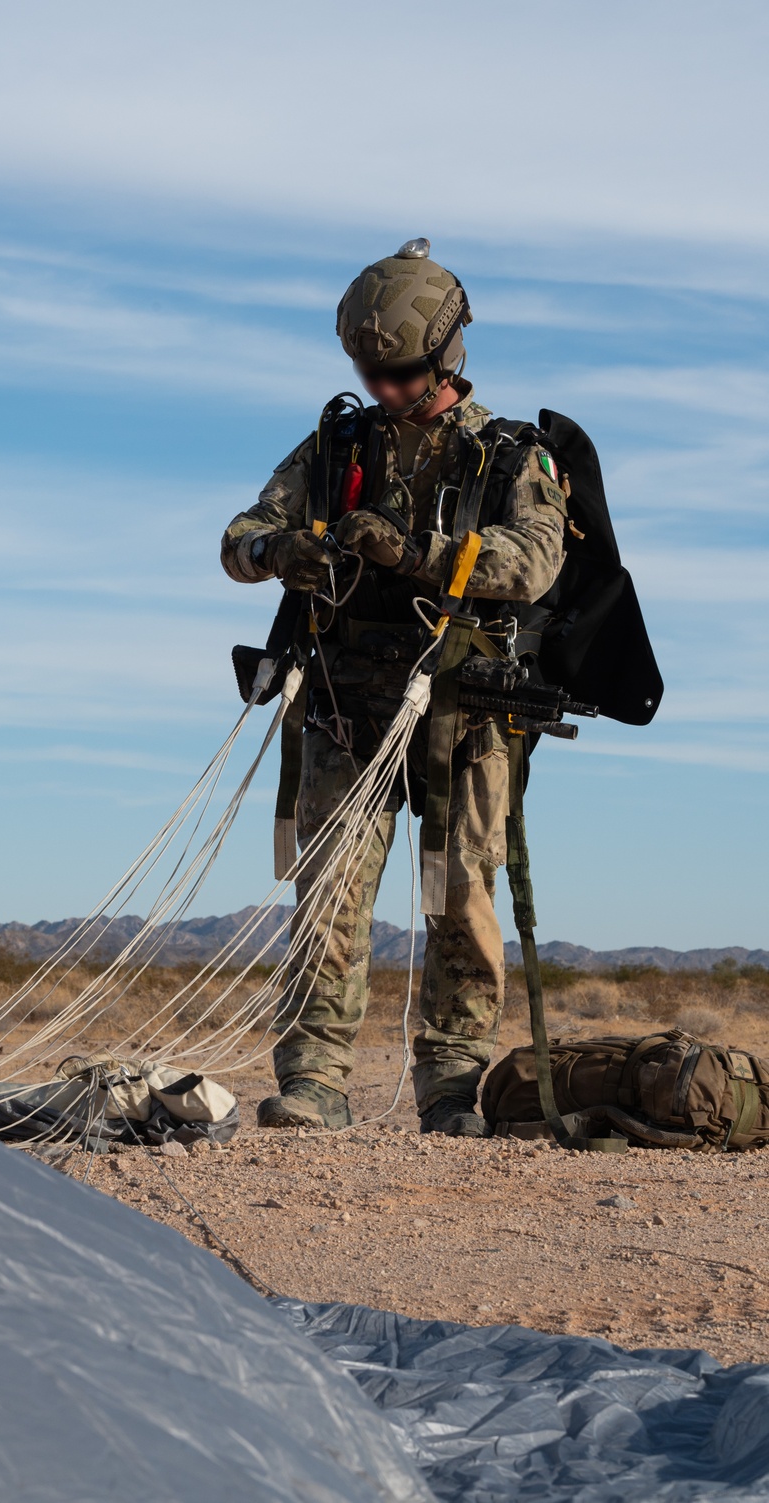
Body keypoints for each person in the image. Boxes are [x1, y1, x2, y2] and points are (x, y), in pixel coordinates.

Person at [220, 239, 569, 1137]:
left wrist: (425, 556)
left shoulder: (507, 457)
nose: (382, 389)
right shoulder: (336, 448)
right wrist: (277, 551)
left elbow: (533, 560)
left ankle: (451, 1088)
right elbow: (238, 537)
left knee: (458, 896)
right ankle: (313, 1079)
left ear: (445, 356)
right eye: (369, 371)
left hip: (465, 713)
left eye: (400, 372)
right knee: (329, 888)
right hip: (345, 704)